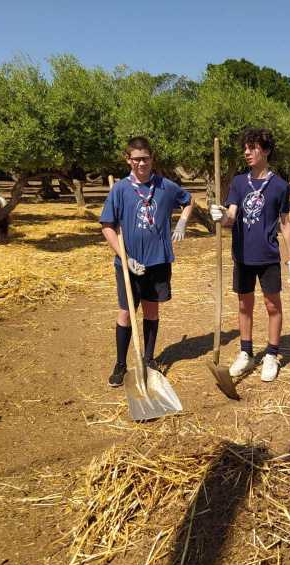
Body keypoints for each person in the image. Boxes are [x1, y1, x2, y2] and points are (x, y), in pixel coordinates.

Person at [100, 137, 193, 387]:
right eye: (136, 158)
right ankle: (120, 364)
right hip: (129, 265)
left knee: (152, 310)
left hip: (158, 261)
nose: (141, 163)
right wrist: (124, 257)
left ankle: (149, 359)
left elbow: (188, 200)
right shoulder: (120, 189)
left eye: (146, 158)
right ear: (128, 159)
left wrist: (182, 222)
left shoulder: (166, 186)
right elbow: (107, 227)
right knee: (126, 313)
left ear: (152, 159)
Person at [210, 128, 290, 382]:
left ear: (267, 150)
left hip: (268, 256)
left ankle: (271, 354)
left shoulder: (280, 186)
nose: (247, 152)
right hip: (243, 255)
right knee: (243, 304)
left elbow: (285, 222)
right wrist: (221, 215)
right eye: (245, 148)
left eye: (253, 147)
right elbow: (232, 216)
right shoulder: (239, 182)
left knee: (272, 305)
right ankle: (246, 353)